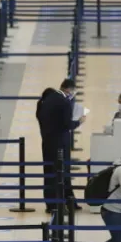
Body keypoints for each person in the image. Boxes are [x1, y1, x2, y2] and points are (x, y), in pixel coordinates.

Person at [37, 79, 86, 212]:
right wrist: (79, 121)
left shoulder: (46, 99)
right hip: (60, 143)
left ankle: (51, 204)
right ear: (69, 89)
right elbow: (68, 124)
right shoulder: (64, 102)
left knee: (49, 172)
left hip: (47, 141)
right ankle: (66, 202)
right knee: (63, 172)